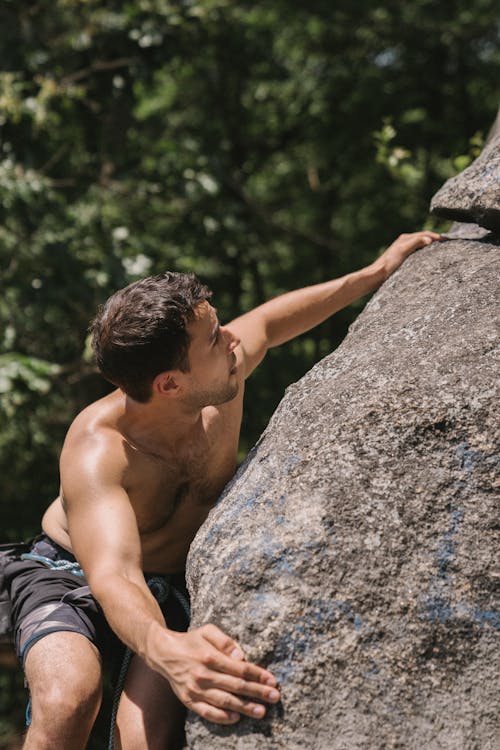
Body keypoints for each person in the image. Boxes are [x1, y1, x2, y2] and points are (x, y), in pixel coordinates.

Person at [7, 231, 442, 749]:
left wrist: (374, 273)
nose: (233, 339)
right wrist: (167, 650)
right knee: (68, 700)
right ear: (170, 383)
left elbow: (271, 322)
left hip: (170, 584)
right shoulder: (101, 450)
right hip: (70, 573)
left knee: (146, 736)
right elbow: (114, 574)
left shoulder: (220, 379)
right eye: (214, 338)